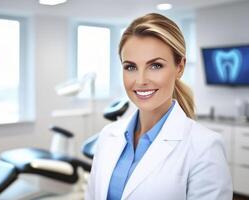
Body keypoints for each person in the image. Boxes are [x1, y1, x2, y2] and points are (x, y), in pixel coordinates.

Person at [85, 13, 232, 200]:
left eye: (155, 66)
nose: (140, 80)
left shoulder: (205, 147)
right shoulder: (108, 136)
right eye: (130, 67)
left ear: (180, 67)